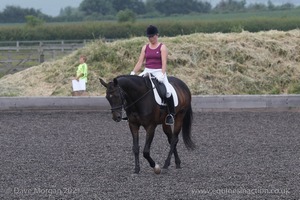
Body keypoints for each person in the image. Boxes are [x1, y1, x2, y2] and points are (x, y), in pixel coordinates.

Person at [130, 25, 175, 125]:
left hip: (159, 71)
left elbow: (164, 62)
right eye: (149, 37)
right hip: (147, 71)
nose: (151, 39)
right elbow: (140, 62)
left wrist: (162, 74)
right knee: (135, 88)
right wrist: (133, 72)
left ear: (157, 35)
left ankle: (171, 114)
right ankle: (132, 112)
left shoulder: (162, 47)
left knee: (167, 91)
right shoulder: (145, 47)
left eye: (152, 37)